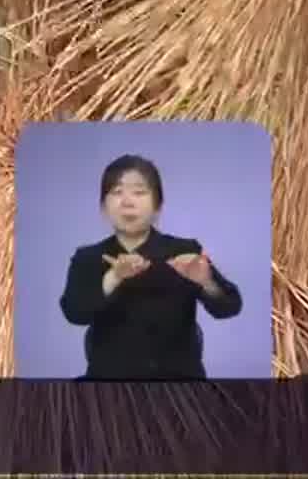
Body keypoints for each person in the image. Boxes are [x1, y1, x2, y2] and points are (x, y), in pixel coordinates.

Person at [57, 154, 242, 379]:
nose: (127, 201)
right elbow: (75, 313)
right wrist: (113, 277)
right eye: (116, 192)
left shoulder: (183, 250)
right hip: (108, 385)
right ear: (104, 207)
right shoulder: (89, 257)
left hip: (179, 386)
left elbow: (229, 307)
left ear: (158, 206)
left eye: (139, 192)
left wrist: (206, 282)